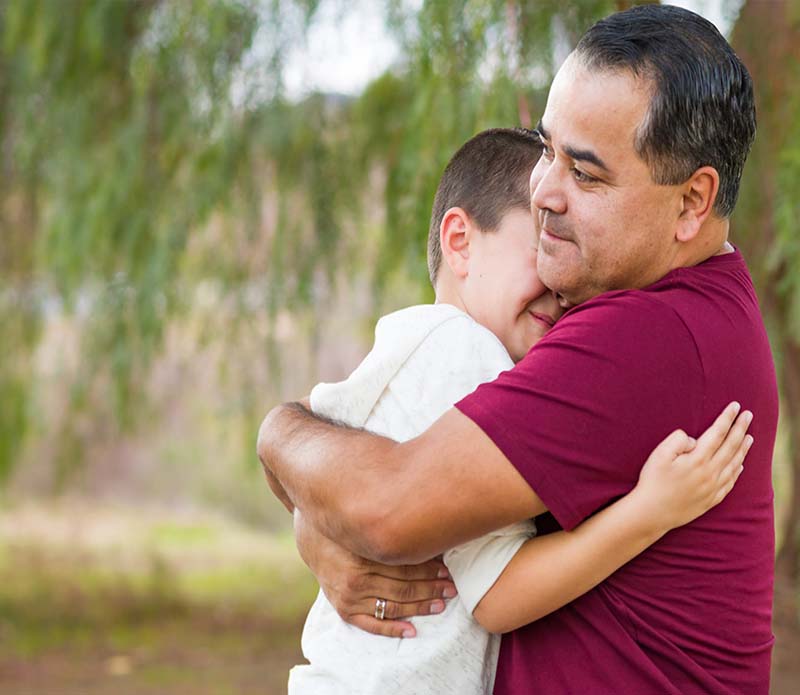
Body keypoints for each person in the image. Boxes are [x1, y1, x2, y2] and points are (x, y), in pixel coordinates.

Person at [260, 5, 778, 694]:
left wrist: (278, 437)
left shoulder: (645, 338)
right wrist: (316, 515)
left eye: (586, 175)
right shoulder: (690, 304)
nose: (543, 193)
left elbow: (385, 509)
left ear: (691, 202)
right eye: (546, 149)